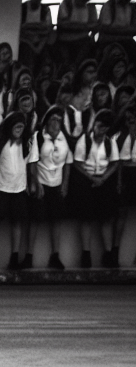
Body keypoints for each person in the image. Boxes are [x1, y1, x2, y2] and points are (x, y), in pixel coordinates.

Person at [0, 113, 38, 270]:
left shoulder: (28, 143)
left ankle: (14, 257)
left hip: (19, 188)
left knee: (17, 222)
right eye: (17, 127)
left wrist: (33, 183)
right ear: (10, 127)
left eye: (22, 127)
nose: (19, 130)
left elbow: (32, 164)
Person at [72, 111, 120, 267]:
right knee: (86, 218)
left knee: (105, 218)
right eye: (99, 126)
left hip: (103, 181)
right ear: (95, 124)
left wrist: (103, 178)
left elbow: (114, 163)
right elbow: (77, 163)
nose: (101, 130)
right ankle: (86, 254)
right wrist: (91, 178)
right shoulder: (84, 141)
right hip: (87, 181)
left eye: (105, 128)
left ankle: (107, 253)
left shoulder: (109, 143)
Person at [29, 105, 73, 269]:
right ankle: (29, 255)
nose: (57, 123)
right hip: (41, 182)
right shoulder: (39, 137)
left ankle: (55, 255)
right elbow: (32, 162)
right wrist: (36, 183)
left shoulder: (63, 138)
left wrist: (65, 184)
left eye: (59, 121)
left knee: (56, 220)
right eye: (54, 120)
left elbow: (68, 162)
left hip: (57, 183)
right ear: (47, 121)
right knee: (35, 220)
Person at [55, 0, 98, 69]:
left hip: (83, 40)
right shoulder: (66, 3)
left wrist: (74, 25)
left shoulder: (90, 7)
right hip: (65, 40)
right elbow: (62, 24)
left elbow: (94, 25)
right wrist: (84, 26)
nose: (81, 1)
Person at [19, 0, 55, 70]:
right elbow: (18, 30)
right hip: (24, 43)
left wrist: (39, 46)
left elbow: (47, 31)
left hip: (40, 43)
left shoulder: (45, 10)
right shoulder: (22, 8)